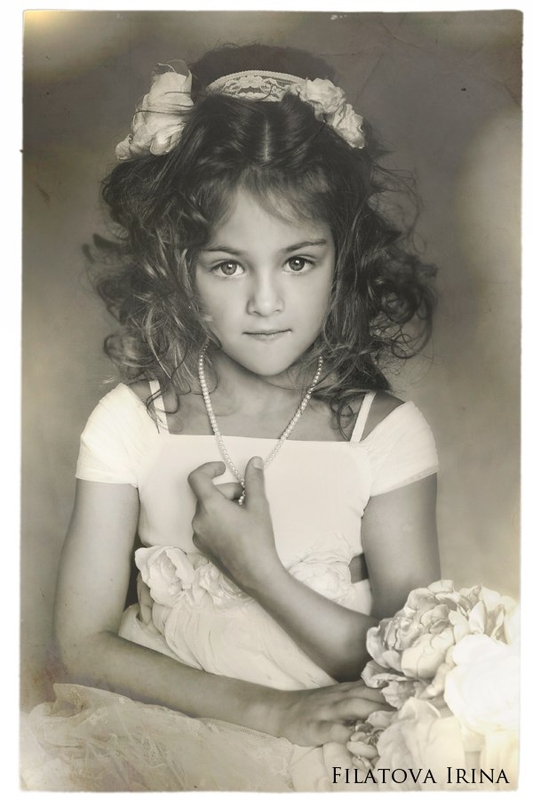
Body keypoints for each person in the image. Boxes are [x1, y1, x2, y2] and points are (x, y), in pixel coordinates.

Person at [21, 44, 440, 791]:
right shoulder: (132, 423)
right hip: (164, 735)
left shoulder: (382, 435)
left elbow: (407, 661)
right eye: (227, 265)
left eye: (298, 262)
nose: (265, 303)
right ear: (177, 266)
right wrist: (272, 711)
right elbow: (82, 644)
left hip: (334, 751)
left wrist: (258, 571)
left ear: (343, 259)